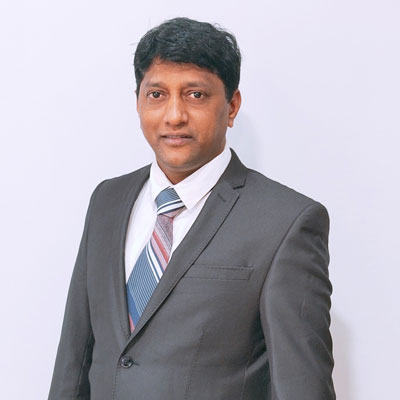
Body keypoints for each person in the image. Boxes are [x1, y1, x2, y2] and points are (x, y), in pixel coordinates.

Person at [49, 17, 335, 400]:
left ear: (232, 106)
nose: (174, 115)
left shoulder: (286, 223)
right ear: (138, 102)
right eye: (157, 94)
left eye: (195, 94)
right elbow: (73, 363)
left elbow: (302, 388)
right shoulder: (107, 200)